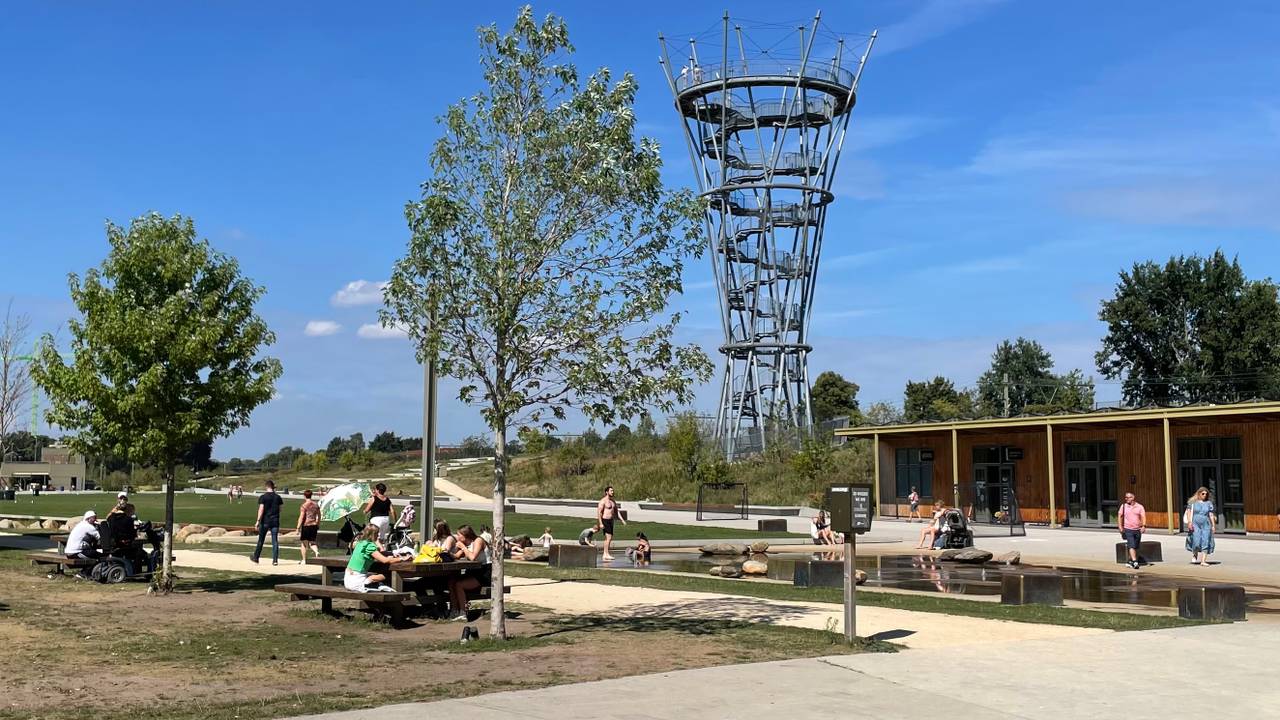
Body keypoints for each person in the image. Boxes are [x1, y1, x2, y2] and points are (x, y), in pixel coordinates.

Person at [446, 524, 491, 620]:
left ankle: (463, 613)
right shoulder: (467, 545)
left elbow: (473, 557)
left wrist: (462, 547)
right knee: (451, 581)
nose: (457, 537)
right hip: (473, 572)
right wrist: (446, 552)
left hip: (484, 573)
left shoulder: (478, 541)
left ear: (465, 535)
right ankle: (454, 610)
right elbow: (456, 556)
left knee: (459, 584)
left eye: (459, 535)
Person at [344, 524, 397, 593]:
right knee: (386, 576)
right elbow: (385, 560)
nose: (378, 536)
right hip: (357, 583)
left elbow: (380, 551)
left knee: (375, 575)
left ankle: (374, 584)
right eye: (377, 534)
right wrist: (402, 558)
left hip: (348, 580)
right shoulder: (369, 546)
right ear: (373, 535)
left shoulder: (360, 543)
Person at [252, 480, 284, 565]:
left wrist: (258, 521)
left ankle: (256, 557)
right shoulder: (278, 497)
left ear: (266, 487)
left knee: (261, 540)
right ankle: (275, 560)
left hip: (265, 520)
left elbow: (261, 509)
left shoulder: (263, 497)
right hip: (275, 521)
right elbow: (280, 509)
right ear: (273, 487)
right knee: (275, 541)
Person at [1184, 487, 1216, 567]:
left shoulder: (1209, 503)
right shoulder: (1192, 503)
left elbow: (1211, 515)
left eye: (1206, 494)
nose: (1204, 495)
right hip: (1195, 523)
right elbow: (1188, 512)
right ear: (1199, 493)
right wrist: (1189, 522)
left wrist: (1213, 525)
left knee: (1206, 540)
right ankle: (1195, 554)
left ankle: (1203, 561)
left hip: (1206, 524)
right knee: (1196, 540)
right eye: (1203, 493)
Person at [597, 486, 626, 561]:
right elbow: (599, 513)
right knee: (608, 538)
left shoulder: (613, 501)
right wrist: (600, 523)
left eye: (613, 491)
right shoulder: (603, 501)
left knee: (609, 538)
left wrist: (622, 520)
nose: (613, 492)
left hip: (611, 521)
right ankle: (606, 554)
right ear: (607, 492)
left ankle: (605, 553)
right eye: (611, 491)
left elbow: (617, 511)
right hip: (605, 520)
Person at [1118, 491, 1146, 569]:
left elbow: (1143, 516)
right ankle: (1135, 562)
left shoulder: (1140, 507)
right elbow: (1120, 516)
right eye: (1126, 497)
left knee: (1136, 546)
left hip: (1137, 529)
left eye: (1129, 497)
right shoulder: (1123, 506)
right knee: (1131, 545)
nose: (1127, 499)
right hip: (1128, 529)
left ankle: (1130, 561)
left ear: (1133, 498)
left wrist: (1144, 526)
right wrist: (1120, 526)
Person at [296, 489, 322, 564]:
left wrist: (298, 527)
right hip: (314, 525)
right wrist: (318, 524)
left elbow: (301, 517)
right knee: (312, 542)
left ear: (304, 496)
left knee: (304, 543)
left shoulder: (304, 506)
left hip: (306, 525)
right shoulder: (316, 505)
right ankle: (316, 552)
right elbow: (319, 515)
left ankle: (304, 560)